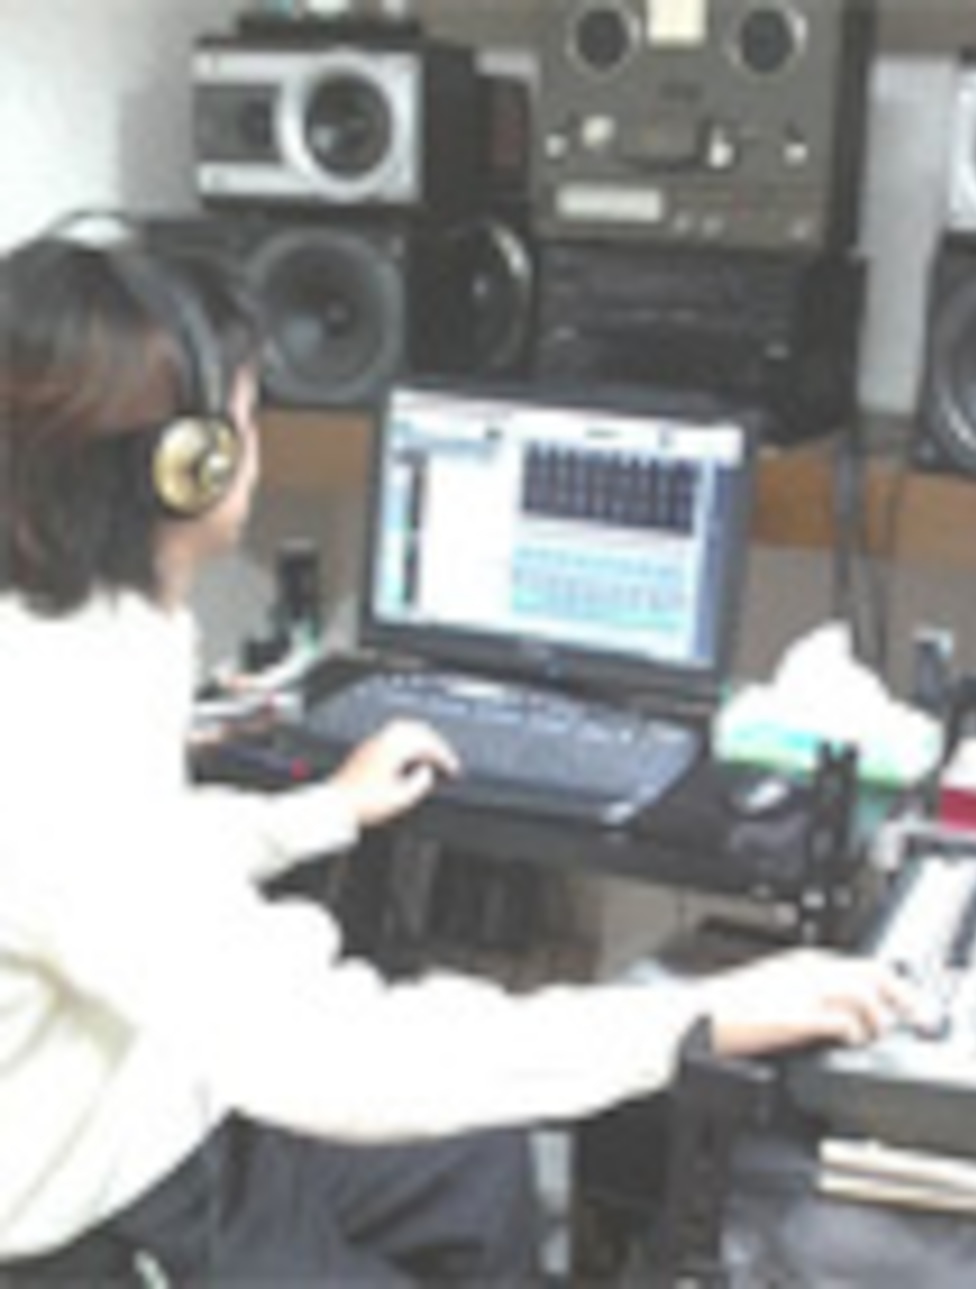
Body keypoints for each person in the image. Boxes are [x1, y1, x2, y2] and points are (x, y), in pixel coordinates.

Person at [0, 229, 925, 1285]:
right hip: (100, 1211)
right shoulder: (49, 724)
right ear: (188, 467)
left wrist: (317, 812)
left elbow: (121, 864)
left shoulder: (82, 629)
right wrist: (695, 1019)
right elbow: (326, 1054)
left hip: (163, 1095)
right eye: (249, 417)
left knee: (476, 1159)